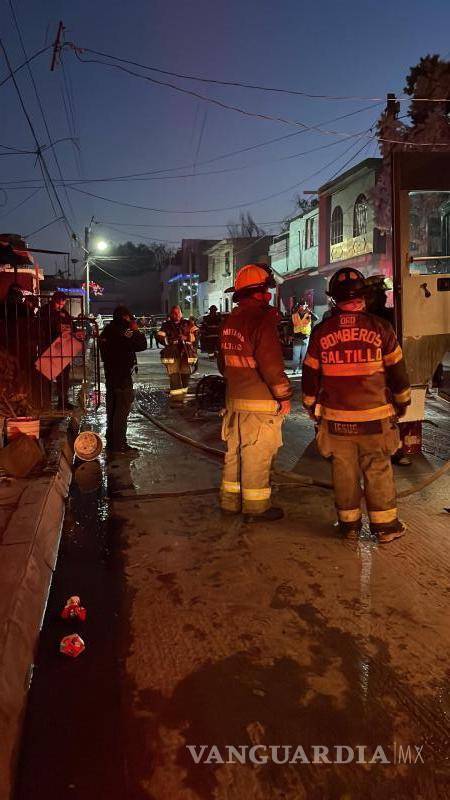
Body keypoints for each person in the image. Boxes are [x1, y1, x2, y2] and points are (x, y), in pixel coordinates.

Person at [302, 267, 411, 544]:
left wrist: (310, 405)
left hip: (337, 421)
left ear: (334, 300)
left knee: (343, 471)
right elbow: (398, 374)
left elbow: (310, 375)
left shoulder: (321, 332)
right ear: (363, 297)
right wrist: (402, 403)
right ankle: (385, 528)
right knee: (377, 468)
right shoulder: (381, 328)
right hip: (376, 419)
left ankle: (349, 526)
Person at [218, 264, 292, 522]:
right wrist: (283, 396)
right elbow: (271, 365)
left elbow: (222, 364)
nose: (269, 295)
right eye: (266, 290)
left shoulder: (231, 321)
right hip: (259, 403)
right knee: (257, 455)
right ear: (259, 292)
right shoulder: (261, 321)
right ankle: (256, 507)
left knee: (235, 453)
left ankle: (230, 501)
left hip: (235, 400)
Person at [365, 274, 411, 467]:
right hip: (371, 376)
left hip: (388, 371)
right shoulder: (366, 319)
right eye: (379, 294)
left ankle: (396, 449)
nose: (384, 297)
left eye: (384, 293)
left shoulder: (391, 316)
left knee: (392, 413)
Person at [99, 305, 147, 454]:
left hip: (110, 375)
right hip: (122, 377)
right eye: (129, 318)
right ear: (125, 317)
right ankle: (120, 445)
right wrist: (135, 329)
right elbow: (142, 344)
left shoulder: (107, 330)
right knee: (121, 411)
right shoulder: (125, 330)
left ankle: (112, 441)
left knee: (112, 409)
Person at [38, 290, 80, 410]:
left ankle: (63, 402)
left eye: (63, 304)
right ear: (53, 301)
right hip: (48, 347)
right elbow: (41, 327)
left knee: (63, 377)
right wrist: (56, 326)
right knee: (46, 376)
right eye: (58, 304)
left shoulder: (64, 313)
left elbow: (72, 326)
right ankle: (45, 403)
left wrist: (71, 330)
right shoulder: (45, 311)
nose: (60, 306)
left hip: (62, 348)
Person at [157, 305, 197, 405]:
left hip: (185, 354)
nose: (176, 315)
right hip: (171, 354)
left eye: (178, 313)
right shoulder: (166, 325)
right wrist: (171, 340)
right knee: (174, 376)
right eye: (174, 313)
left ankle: (183, 395)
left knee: (185, 375)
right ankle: (177, 399)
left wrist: (187, 337)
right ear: (171, 314)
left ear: (181, 314)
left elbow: (197, 333)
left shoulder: (188, 324)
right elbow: (160, 337)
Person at [291, 298, 318, 375]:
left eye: (304, 305)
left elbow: (316, 318)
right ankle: (295, 370)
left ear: (306, 306)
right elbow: (290, 325)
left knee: (304, 355)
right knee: (296, 355)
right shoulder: (294, 315)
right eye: (301, 305)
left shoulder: (309, 314)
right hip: (297, 337)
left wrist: (310, 312)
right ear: (299, 306)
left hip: (306, 337)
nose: (303, 307)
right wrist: (290, 335)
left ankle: (303, 370)